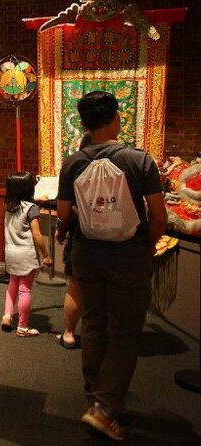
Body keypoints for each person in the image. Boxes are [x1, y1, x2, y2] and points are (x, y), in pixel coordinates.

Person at [56, 90, 167, 441]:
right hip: (128, 256)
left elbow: (62, 214)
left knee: (93, 326)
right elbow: (159, 215)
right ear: (117, 118)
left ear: (84, 124)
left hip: (87, 254)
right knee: (124, 333)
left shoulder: (73, 163)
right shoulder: (139, 160)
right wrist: (148, 245)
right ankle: (104, 409)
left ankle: (96, 399)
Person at [0, 171, 53, 337]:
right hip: (26, 254)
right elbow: (37, 235)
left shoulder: (7, 205)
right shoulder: (31, 209)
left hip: (11, 252)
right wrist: (45, 255)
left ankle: (7, 315)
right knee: (25, 290)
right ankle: (23, 327)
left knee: (12, 285)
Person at [55, 132, 93, 350]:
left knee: (76, 287)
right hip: (118, 240)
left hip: (82, 235)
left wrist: (63, 229)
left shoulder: (74, 163)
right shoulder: (126, 160)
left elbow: (63, 211)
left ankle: (69, 334)